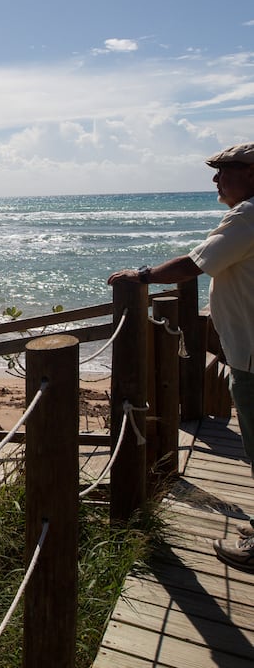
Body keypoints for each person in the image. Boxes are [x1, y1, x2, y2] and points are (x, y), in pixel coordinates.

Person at [108, 142, 254, 574]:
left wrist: (143, 276)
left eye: (224, 171)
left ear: (251, 173)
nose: (215, 180)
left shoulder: (248, 215)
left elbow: (195, 264)